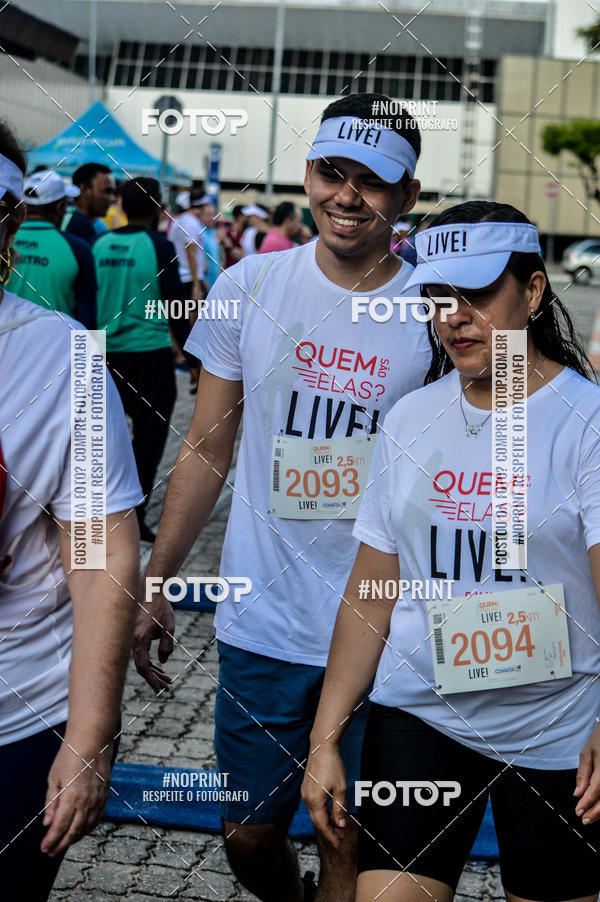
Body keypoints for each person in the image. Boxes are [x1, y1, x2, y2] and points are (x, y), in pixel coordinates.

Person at [134, 92, 429, 902]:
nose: (347, 194)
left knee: (347, 831)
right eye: (332, 172)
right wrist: (157, 578)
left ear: (406, 196)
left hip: (383, 624)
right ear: (306, 174)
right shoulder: (248, 283)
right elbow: (206, 444)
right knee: (248, 833)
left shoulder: (435, 311)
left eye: (372, 181)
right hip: (264, 618)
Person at [301, 201, 600, 902]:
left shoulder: (586, 425)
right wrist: (324, 741)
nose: (453, 316)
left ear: (532, 291)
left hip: (557, 728)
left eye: (476, 295)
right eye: (437, 298)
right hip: (423, 716)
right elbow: (372, 588)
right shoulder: (410, 417)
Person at [0, 119, 143, 901]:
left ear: (9, 219)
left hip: (19, 716)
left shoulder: (64, 361)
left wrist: (89, 740)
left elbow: (102, 557)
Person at [93, 177, 181, 543]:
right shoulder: (160, 247)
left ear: (123, 207)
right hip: (150, 355)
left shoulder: (98, 244)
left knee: (104, 438)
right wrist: (193, 359)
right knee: (149, 438)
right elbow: (176, 305)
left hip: (102, 353)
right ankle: (134, 515)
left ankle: (98, 510)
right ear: (158, 208)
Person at [7, 169, 97, 328]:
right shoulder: (78, 249)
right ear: (60, 206)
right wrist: (91, 353)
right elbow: (88, 318)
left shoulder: (5, 241)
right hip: (59, 348)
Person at [62, 162, 116, 244]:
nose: (112, 199)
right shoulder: (75, 224)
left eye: (113, 193)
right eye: (107, 191)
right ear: (84, 189)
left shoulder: (98, 225)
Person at [197, 196, 222, 290]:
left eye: (213, 214)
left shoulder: (212, 232)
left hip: (214, 284)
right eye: (208, 215)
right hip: (203, 285)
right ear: (200, 216)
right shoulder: (199, 232)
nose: (212, 218)